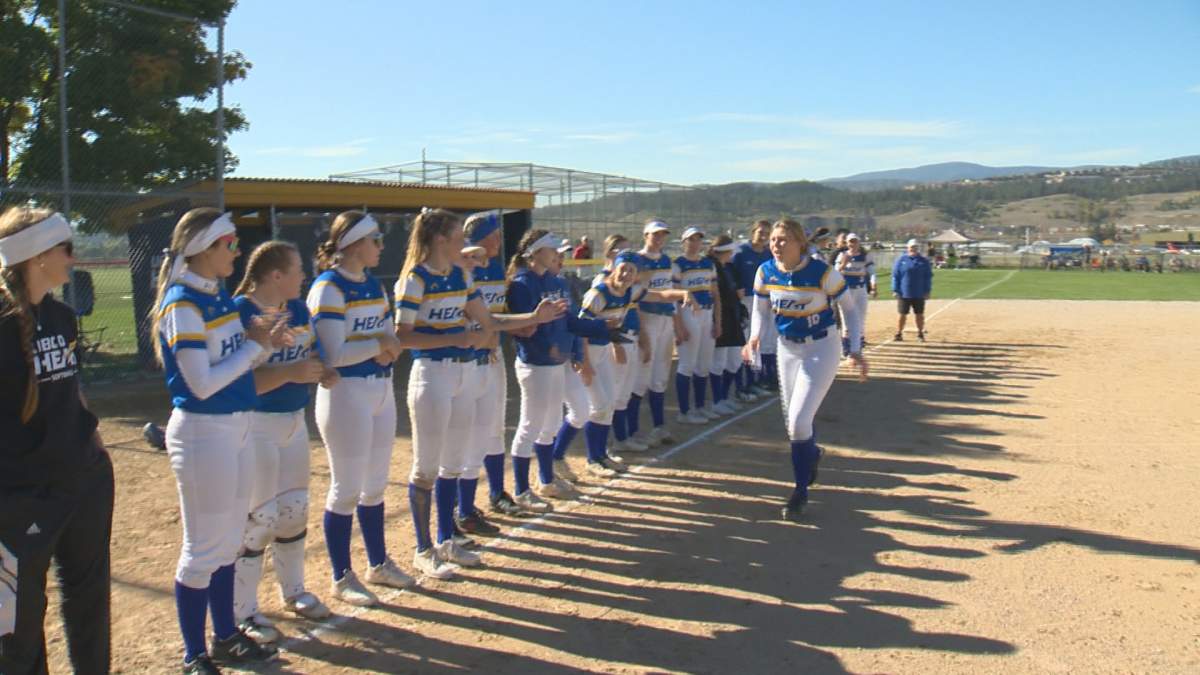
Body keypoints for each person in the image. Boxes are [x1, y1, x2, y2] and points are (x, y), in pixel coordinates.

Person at [150, 208, 291, 672]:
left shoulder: (215, 297)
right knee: (202, 549)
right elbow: (202, 383)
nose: (236, 250)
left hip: (236, 427)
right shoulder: (182, 304)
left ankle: (226, 634)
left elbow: (233, 361)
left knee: (228, 541)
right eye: (228, 244)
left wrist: (258, 337)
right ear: (202, 250)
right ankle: (194, 654)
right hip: (204, 432)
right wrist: (257, 347)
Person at [395, 209, 565, 576]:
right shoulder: (415, 278)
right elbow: (402, 335)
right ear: (441, 240)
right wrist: (455, 336)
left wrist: (534, 317)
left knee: (452, 463)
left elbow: (489, 323)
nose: (465, 244)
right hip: (432, 375)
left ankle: (445, 539)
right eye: (459, 237)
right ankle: (423, 549)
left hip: (464, 375)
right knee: (425, 467)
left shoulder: (460, 275)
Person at [0, 208, 114, 675]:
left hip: (84, 480)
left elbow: (70, 392)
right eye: (65, 248)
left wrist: (96, 445)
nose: (74, 257)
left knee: (89, 602)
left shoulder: (63, 315)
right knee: (20, 624)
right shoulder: (3, 324)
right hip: (23, 495)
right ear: (36, 255)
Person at [231, 241, 336, 644]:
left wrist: (322, 370)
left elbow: (314, 352)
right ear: (276, 275)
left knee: (293, 510)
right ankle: (244, 612)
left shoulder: (298, 309)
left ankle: (293, 590)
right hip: (256, 425)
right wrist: (292, 372)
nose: (303, 276)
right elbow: (240, 381)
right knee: (260, 518)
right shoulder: (241, 313)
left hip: (294, 421)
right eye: (297, 270)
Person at [307, 211, 410, 608]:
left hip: (379, 389)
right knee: (347, 487)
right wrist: (380, 347)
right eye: (376, 240)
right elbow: (334, 355)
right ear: (353, 244)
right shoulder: (329, 288)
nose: (381, 247)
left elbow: (388, 335)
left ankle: (378, 562)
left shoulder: (371, 284)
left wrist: (382, 348)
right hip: (346, 394)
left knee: (376, 484)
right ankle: (340, 575)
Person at [742, 218, 846, 521]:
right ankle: (811, 455)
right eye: (774, 239)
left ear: (800, 242)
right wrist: (754, 337)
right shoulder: (766, 271)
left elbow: (848, 305)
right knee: (793, 426)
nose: (776, 244)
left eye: (783, 239)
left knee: (801, 421)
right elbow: (760, 308)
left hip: (821, 347)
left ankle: (800, 491)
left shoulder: (820, 271)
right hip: (788, 348)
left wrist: (854, 345)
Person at [506, 230, 608, 510]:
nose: (556, 254)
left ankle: (546, 480)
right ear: (534, 253)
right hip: (535, 364)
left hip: (555, 363)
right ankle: (521, 489)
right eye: (551, 249)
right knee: (530, 426)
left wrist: (603, 328)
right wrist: (546, 344)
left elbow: (571, 321)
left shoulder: (557, 282)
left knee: (549, 425)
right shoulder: (522, 284)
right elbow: (523, 328)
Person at [628, 220, 680, 446]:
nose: (659, 238)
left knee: (659, 377)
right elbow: (635, 297)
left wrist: (677, 322)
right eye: (655, 235)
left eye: (662, 235)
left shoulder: (667, 260)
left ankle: (659, 426)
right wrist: (641, 331)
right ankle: (632, 430)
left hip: (665, 319)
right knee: (641, 376)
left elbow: (670, 292)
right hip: (646, 319)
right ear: (645, 235)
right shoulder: (637, 260)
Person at [673, 227, 722, 424]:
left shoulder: (708, 264)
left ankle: (700, 407)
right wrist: (679, 326)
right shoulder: (678, 265)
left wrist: (718, 321)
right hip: (688, 313)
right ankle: (684, 411)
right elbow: (674, 298)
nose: (694, 243)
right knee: (687, 363)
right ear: (683, 242)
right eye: (690, 239)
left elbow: (716, 295)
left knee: (704, 364)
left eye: (697, 239)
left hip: (707, 312)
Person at [730, 220, 774, 400]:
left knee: (766, 341)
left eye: (766, 233)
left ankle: (758, 381)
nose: (763, 236)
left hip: (767, 300)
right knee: (749, 343)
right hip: (747, 301)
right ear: (753, 232)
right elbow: (729, 271)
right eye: (760, 232)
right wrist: (736, 287)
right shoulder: (741, 252)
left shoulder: (769, 253)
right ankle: (743, 386)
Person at [707, 234, 746, 415]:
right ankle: (717, 400)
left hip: (732, 318)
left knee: (734, 361)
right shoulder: (713, 266)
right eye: (729, 252)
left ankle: (724, 396)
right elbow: (717, 296)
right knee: (718, 362)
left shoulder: (727, 267)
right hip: (721, 318)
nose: (731, 255)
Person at [834, 233, 874, 380]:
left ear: (859, 242)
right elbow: (835, 272)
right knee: (846, 322)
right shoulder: (842, 255)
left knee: (860, 320)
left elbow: (871, 272)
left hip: (860, 289)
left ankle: (858, 349)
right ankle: (847, 351)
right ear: (846, 243)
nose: (852, 244)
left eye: (855, 241)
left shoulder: (865, 256)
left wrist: (873, 284)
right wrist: (844, 263)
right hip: (846, 291)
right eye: (850, 242)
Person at [891, 238, 933, 342]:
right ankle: (899, 333)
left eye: (915, 247)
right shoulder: (901, 260)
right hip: (904, 292)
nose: (913, 249)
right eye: (911, 247)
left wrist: (927, 291)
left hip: (919, 293)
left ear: (918, 248)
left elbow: (928, 277)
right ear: (908, 248)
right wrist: (895, 289)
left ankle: (920, 333)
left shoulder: (923, 261)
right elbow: (896, 276)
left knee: (919, 314)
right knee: (902, 314)